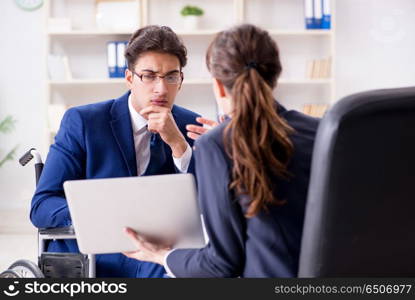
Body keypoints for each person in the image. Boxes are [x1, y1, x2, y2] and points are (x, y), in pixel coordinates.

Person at [123, 23, 320, 277]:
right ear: (275, 74)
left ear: (217, 85)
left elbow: (222, 264)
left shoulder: (216, 144)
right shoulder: (324, 130)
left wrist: (162, 256)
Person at [30, 25, 200, 278]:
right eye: (149, 76)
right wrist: (98, 215)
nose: (161, 89)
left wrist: (179, 146)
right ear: (130, 78)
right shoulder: (83, 121)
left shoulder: (191, 126)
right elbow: (42, 205)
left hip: (160, 252)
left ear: (181, 81)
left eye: (171, 77)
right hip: (96, 253)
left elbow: (208, 205)